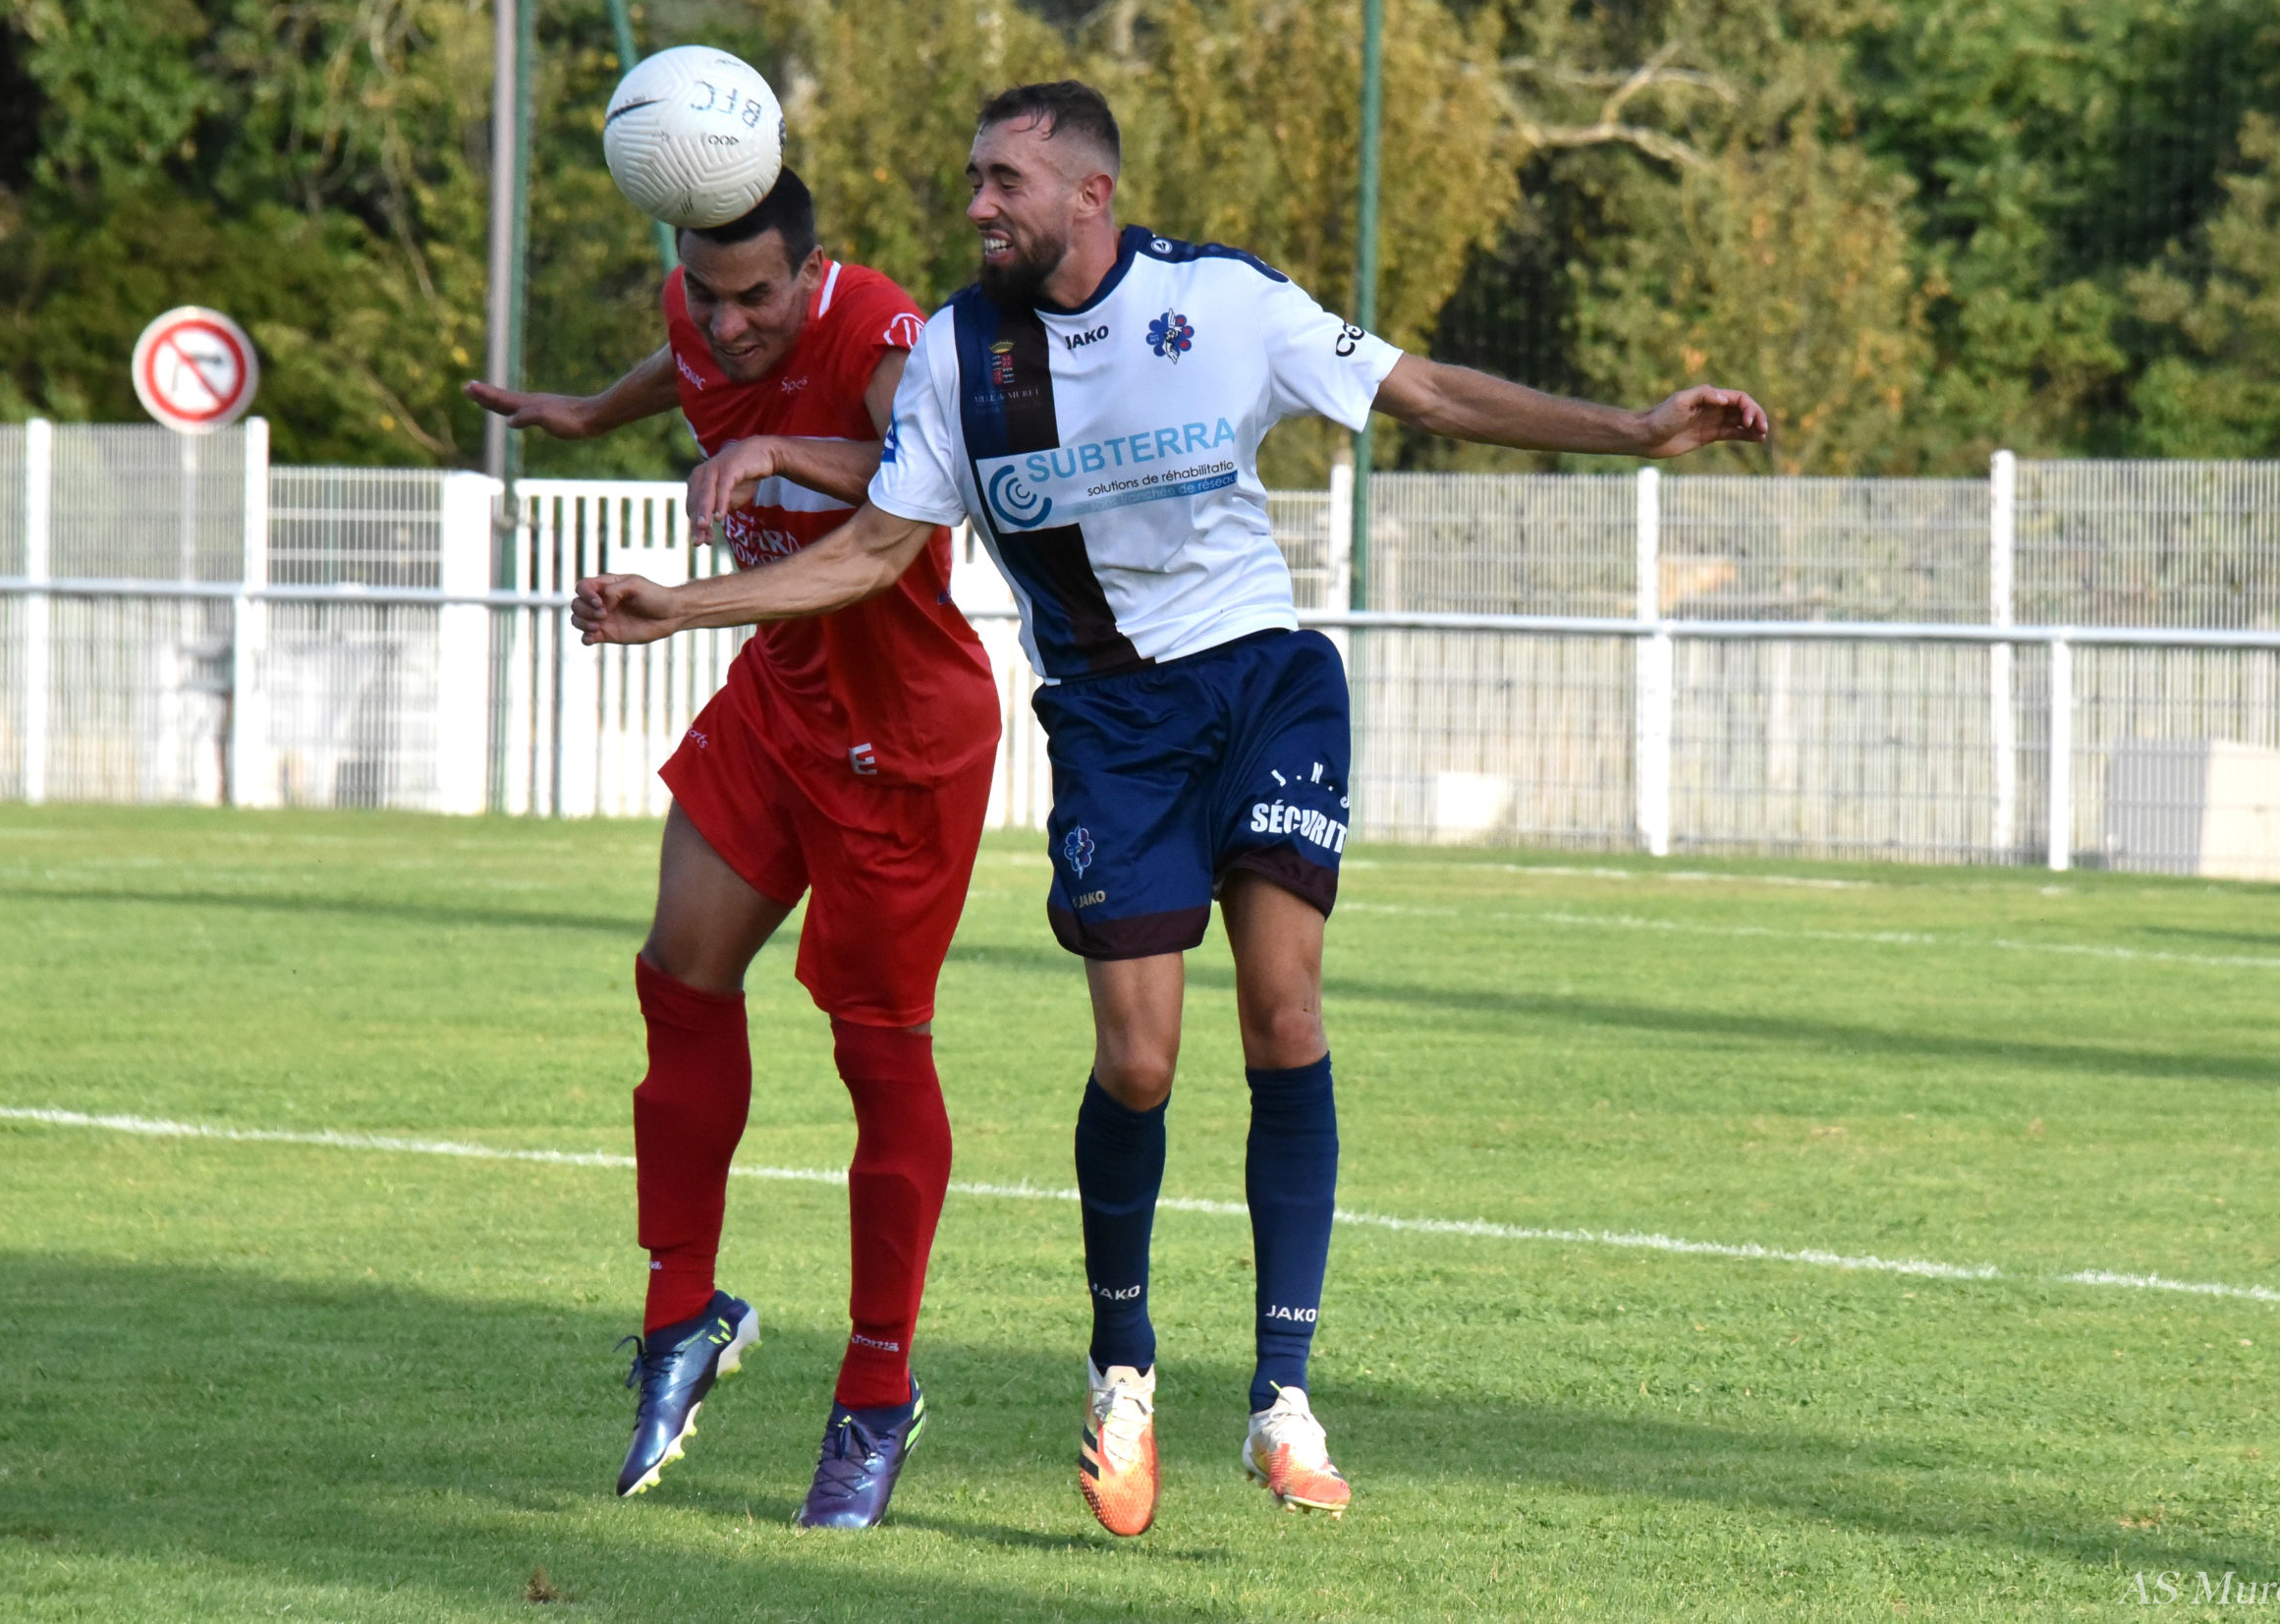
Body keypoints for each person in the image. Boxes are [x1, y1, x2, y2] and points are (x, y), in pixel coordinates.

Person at [566, 84, 1768, 1538]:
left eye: (1003, 180)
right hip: (1111, 722)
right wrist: (682, 605)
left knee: (1285, 1013)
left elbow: (1428, 391)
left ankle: (1281, 1397)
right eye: (972, 178)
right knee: (1138, 1063)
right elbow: (877, 547)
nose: (976, 204)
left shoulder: (1225, 302)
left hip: (1261, 682)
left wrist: (1635, 428)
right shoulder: (958, 356)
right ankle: (1122, 1369)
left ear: (1091, 193)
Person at [465, 168, 1001, 1532]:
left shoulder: (881, 334)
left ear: (813, 273)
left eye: (758, 296)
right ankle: (682, 1312)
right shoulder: (699, 313)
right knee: (679, 974)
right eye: (707, 294)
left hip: (903, 736)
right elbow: (688, 364)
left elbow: (914, 505)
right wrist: (591, 411)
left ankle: (876, 1390)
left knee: (877, 1050)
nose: (729, 322)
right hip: (782, 699)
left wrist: (755, 482)